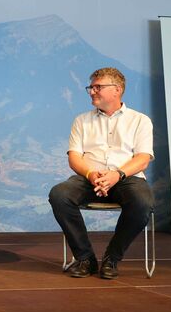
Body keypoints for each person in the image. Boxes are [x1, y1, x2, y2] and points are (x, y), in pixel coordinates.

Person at [48, 67, 154, 279]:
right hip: (89, 178)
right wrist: (90, 174)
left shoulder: (140, 120)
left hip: (127, 178)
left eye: (98, 87)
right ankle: (85, 258)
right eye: (91, 87)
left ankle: (112, 258)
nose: (92, 91)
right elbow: (74, 157)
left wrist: (117, 175)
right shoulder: (81, 120)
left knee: (143, 203)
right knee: (59, 194)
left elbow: (142, 159)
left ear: (117, 90)